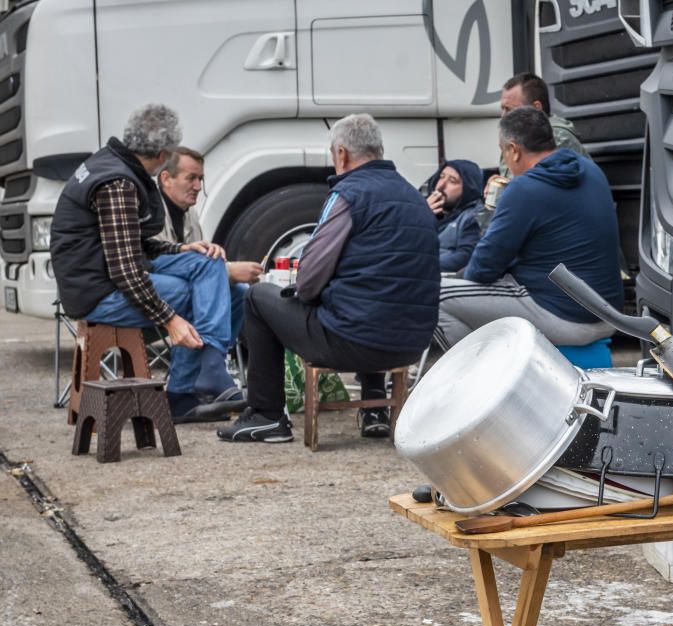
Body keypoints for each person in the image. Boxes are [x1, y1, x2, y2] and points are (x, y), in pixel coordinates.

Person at [218, 114, 440, 443]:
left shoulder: (347, 195)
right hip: (412, 344)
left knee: (257, 298)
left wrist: (304, 296)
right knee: (371, 295)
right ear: (379, 150)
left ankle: (266, 415)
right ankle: (375, 408)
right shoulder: (414, 197)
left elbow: (308, 279)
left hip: (354, 343)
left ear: (341, 154)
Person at [49, 104, 245, 423]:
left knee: (210, 266)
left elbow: (131, 243)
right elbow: (125, 269)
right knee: (197, 292)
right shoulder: (118, 183)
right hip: (96, 293)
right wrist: (169, 319)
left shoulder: (113, 163)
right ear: (164, 152)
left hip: (105, 276)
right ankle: (183, 393)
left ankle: (210, 368)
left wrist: (182, 247)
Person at [434, 107, 622, 351]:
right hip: (609, 313)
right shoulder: (590, 171)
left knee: (431, 297)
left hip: (566, 317)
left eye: (502, 151)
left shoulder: (523, 189)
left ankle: (484, 380)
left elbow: (482, 270)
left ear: (513, 150)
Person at [155, 146, 262, 351]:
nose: (197, 186)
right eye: (191, 178)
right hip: (149, 297)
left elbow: (197, 265)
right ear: (166, 179)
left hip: (175, 298)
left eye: (200, 179)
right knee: (199, 293)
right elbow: (157, 265)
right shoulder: (150, 209)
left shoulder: (190, 214)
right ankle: (196, 372)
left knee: (240, 291)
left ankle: (216, 356)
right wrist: (228, 272)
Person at [497, 72, 589, 179]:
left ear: (536, 108)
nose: (503, 116)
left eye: (509, 110)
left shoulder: (556, 137)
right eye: (502, 109)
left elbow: (537, 186)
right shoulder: (515, 138)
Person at [424, 159, 484, 273]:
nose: (441, 186)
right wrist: (422, 216)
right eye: (441, 177)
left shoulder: (472, 217)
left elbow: (465, 257)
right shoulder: (427, 209)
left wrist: (421, 265)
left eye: (452, 181)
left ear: (468, 188)